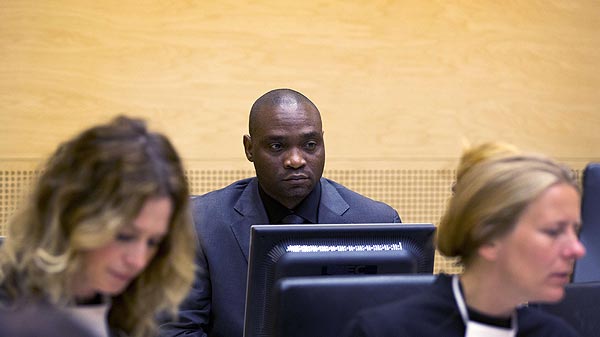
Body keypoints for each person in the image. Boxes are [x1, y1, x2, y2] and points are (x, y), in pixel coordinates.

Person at [159, 88, 401, 337]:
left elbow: (397, 327)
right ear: (249, 148)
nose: (296, 159)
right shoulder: (198, 223)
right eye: (277, 146)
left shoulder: (375, 223)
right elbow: (175, 330)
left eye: (310, 145)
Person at [344, 151, 586, 337]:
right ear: (488, 237)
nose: (577, 249)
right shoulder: (384, 331)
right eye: (553, 231)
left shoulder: (556, 334)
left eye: (575, 231)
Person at [0, 116, 197, 337]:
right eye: (124, 236)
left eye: (153, 242)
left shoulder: (128, 315)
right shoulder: (12, 321)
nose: (138, 260)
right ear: (73, 215)